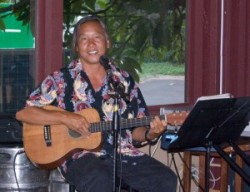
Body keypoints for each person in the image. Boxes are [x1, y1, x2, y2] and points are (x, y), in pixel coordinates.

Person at [16, 15, 177, 192]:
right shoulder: (61, 79)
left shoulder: (123, 81)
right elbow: (24, 113)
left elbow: (135, 131)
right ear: (76, 46)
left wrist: (151, 134)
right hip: (79, 156)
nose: (91, 44)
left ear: (107, 42)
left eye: (97, 37)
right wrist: (65, 118)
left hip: (122, 154)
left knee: (165, 179)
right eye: (84, 39)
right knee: (99, 178)